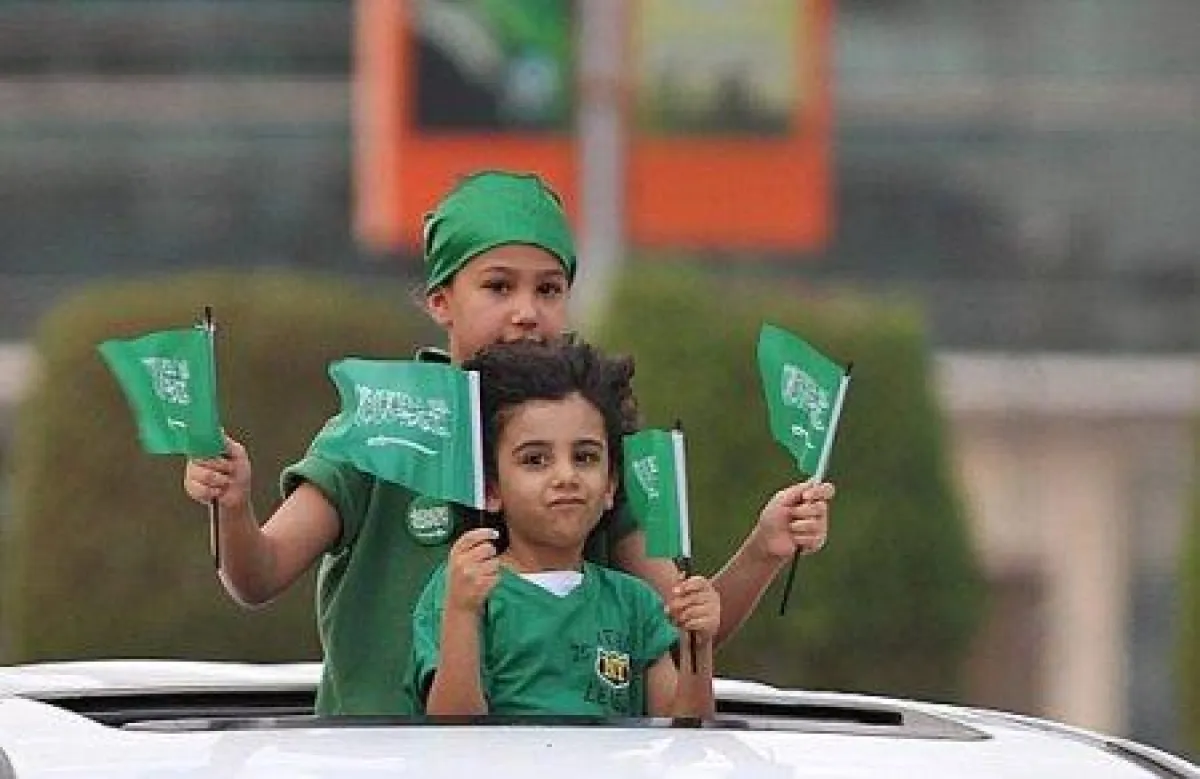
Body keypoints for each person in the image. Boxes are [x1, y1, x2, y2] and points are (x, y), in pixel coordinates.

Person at [183, 170, 833, 715]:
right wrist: (232, 504)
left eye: (549, 289)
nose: (526, 310)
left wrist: (763, 549)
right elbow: (258, 575)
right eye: (498, 286)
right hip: (376, 760)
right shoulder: (379, 422)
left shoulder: (593, 434)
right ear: (441, 301)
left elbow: (680, 624)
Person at [405, 339, 717, 717]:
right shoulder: (462, 588)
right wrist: (462, 611)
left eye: (585, 457)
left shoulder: (636, 603)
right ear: (490, 489)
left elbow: (682, 736)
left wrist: (698, 647)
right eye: (536, 460)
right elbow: (452, 730)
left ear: (611, 485)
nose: (566, 476)